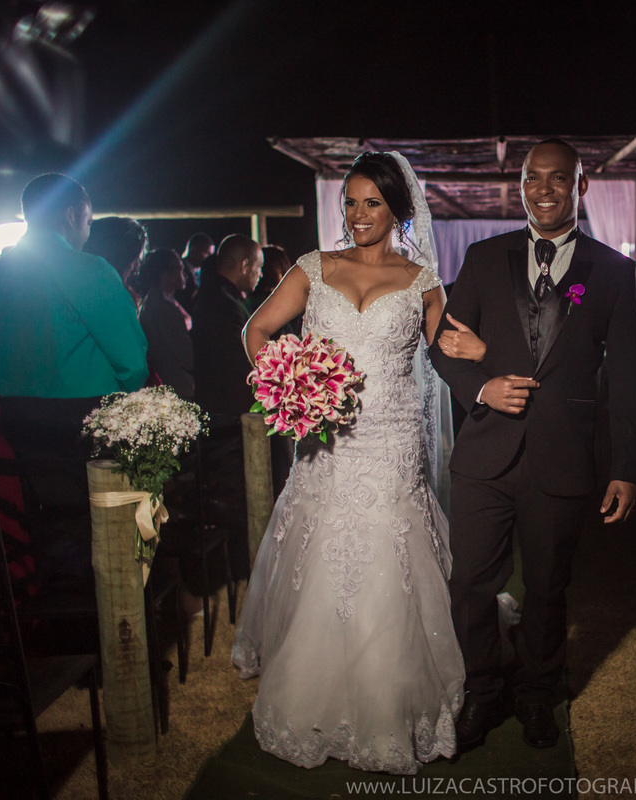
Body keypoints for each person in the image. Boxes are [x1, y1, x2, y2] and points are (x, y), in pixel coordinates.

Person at [232, 152, 464, 774]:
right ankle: (312, 696)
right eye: (351, 203)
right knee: (322, 558)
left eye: (372, 204)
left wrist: (482, 355)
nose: (359, 215)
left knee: (390, 556)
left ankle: (390, 705)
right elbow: (257, 331)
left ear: (398, 210)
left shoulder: (422, 283)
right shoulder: (314, 268)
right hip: (327, 445)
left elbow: (444, 360)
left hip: (391, 445)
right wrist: (287, 386)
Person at [429, 139, 636, 752]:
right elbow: (444, 346)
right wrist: (483, 387)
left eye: (557, 178)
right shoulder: (483, 257)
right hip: (484, 457)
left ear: (580, 186)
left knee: (549, 588)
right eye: (532, 178)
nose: (543, 190)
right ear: (520, 185)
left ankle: (536, 691)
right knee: (470, 583)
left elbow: (629, 378)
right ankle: (480, 690)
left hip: (563, 455)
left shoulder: (612, 271)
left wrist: (628, 467)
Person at [0, 173, 148, 462]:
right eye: (88, 222)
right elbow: (132, 362)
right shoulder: (91, 270)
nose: (87, 233)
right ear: (70, 215)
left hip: (16, 419)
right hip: (86, 422)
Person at [192, 234, 262, 420]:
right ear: (245, 266)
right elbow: (236, 362)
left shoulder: (214, 294)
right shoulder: (222, 303)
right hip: (227, 410)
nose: (260, 274)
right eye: (259, 267)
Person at [137, 249, 194, 398]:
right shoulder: (162, 307)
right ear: (164, 274)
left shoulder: (163, 301)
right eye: (179, 269)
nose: (184, 275)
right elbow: (184, 354)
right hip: (173, 383)